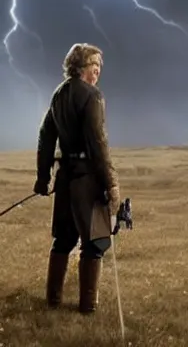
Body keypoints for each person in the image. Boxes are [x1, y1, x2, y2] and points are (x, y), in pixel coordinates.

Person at [33, 43, 121, 314]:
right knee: (95, 242)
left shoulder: (58, 95)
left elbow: (45, 137)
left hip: (64, 178)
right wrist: (111, 182)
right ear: (81, 67)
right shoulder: (92, 96)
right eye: (94, 66)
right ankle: (87, 306)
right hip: (86, 179)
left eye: (99, 67)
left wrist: (43, 176)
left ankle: (53, 300)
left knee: (64, 239)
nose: (98, 71)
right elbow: (98, 141)